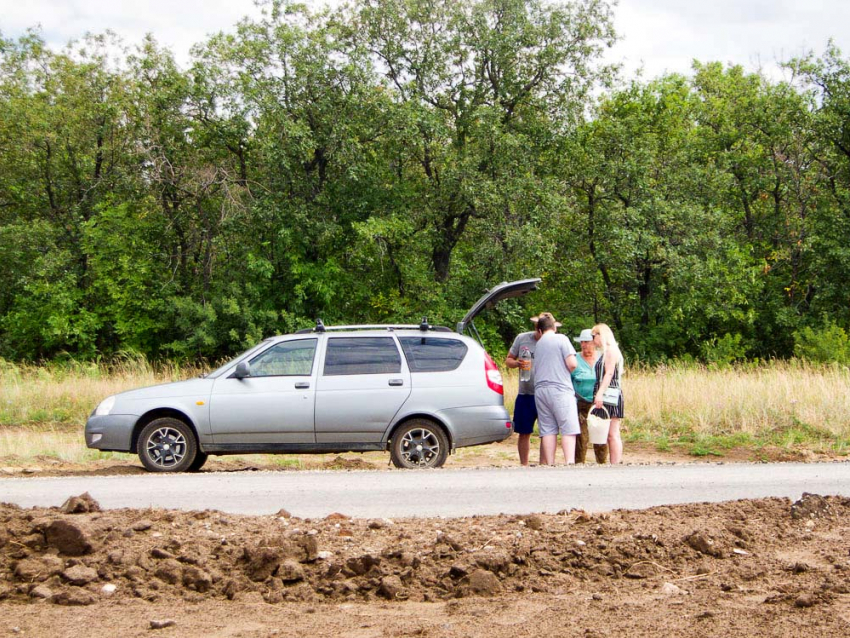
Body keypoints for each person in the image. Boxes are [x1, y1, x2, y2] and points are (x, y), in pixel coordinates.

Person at [505, 313, 559, 465]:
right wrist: (517, 364)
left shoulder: (555, 341)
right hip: (526, 392)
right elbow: (508, 360)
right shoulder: (522, 338)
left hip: (546, 392)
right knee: (524, 431)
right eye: (537, 326)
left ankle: (544, 464)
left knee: (546, 432)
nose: (539, 329)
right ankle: (524, 464)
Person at [532, 313, 579, 465]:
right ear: (554, 327)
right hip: (559, 388)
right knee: (568, 426)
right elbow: (572, 363)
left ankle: (550, 463)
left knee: (548, 428)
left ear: (539, 331)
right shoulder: (561, 339)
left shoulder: (538, 344)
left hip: (540, 390)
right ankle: (569, 461)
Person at [571, 329, 608, 464]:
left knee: (600, 434)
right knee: (581, 436)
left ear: (594, 342)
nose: (584, 345)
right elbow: (568, 380)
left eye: (587, 342)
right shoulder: (575, 359)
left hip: (599, 401)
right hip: (581, 401)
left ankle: (602, 462)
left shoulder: (602, 357)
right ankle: (579, 463)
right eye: (582, 342)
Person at [591, 323, 625, 464]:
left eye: (594, 336)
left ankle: (615, 463)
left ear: (601, 335)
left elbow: (609, 373)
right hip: (607, 392)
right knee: (608, 432)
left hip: (610, 394)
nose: (593, 340)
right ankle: (612, 462)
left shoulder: (611, 351)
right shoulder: (605, 352)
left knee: (612, 433)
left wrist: (600, 393)